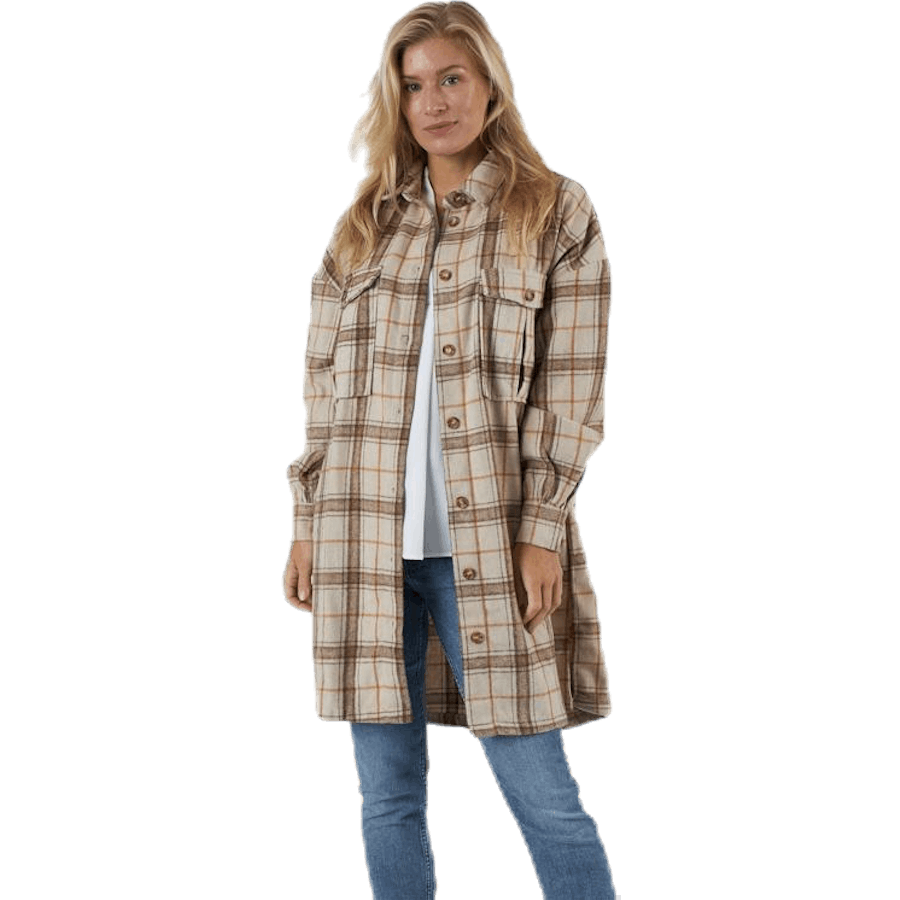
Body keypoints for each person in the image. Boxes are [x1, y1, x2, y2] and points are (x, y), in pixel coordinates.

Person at [281, 2, 618, 897]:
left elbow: (572, 388)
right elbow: (322, 391)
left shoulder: (555, 211)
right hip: (363, 546)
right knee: (387, 798)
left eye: (451, 78)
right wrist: (307, 522)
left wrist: (542, 527)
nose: (432, 102)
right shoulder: (364, 224)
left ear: (490, 86)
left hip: (490, 546)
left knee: (542, 795)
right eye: (412, 84)